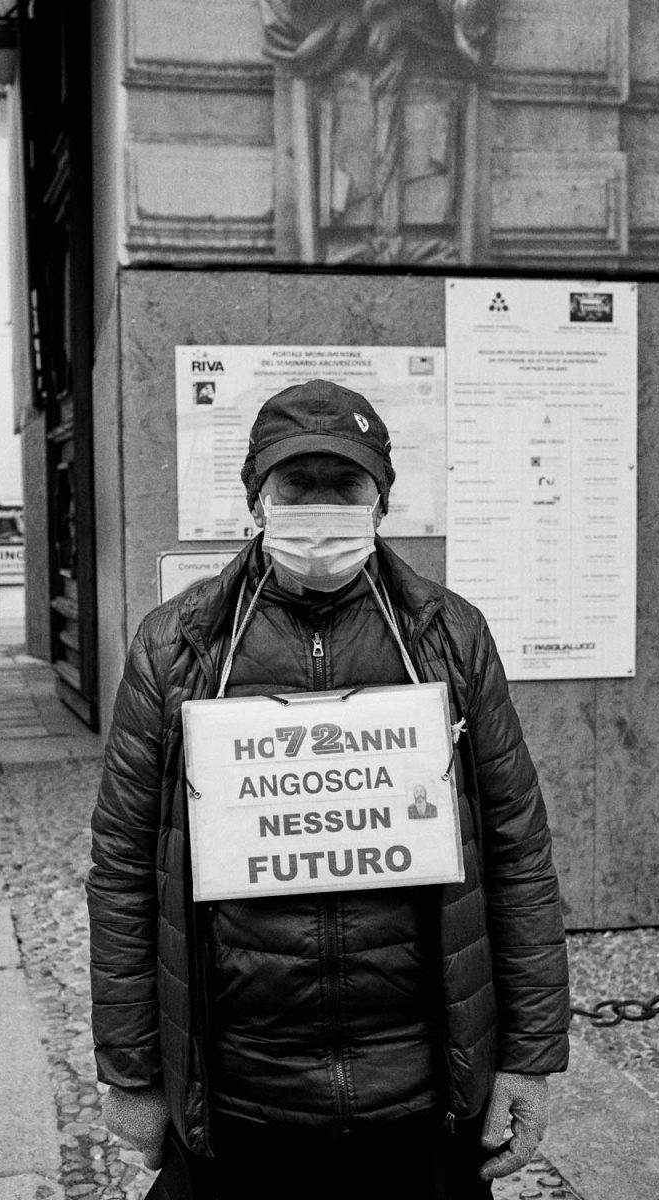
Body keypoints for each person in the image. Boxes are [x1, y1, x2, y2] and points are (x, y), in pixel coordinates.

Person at [87, 378, 570, 1200]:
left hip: (419, 1090)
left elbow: (519, 855)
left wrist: (528, 1058)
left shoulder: (450, 637)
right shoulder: (178, 648)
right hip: (242, 1095)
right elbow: (127, 871)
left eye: (343, 484)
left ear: (380, 500)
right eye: (295, 485)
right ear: (257, 498)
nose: (319, 506)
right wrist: (134, 1074)